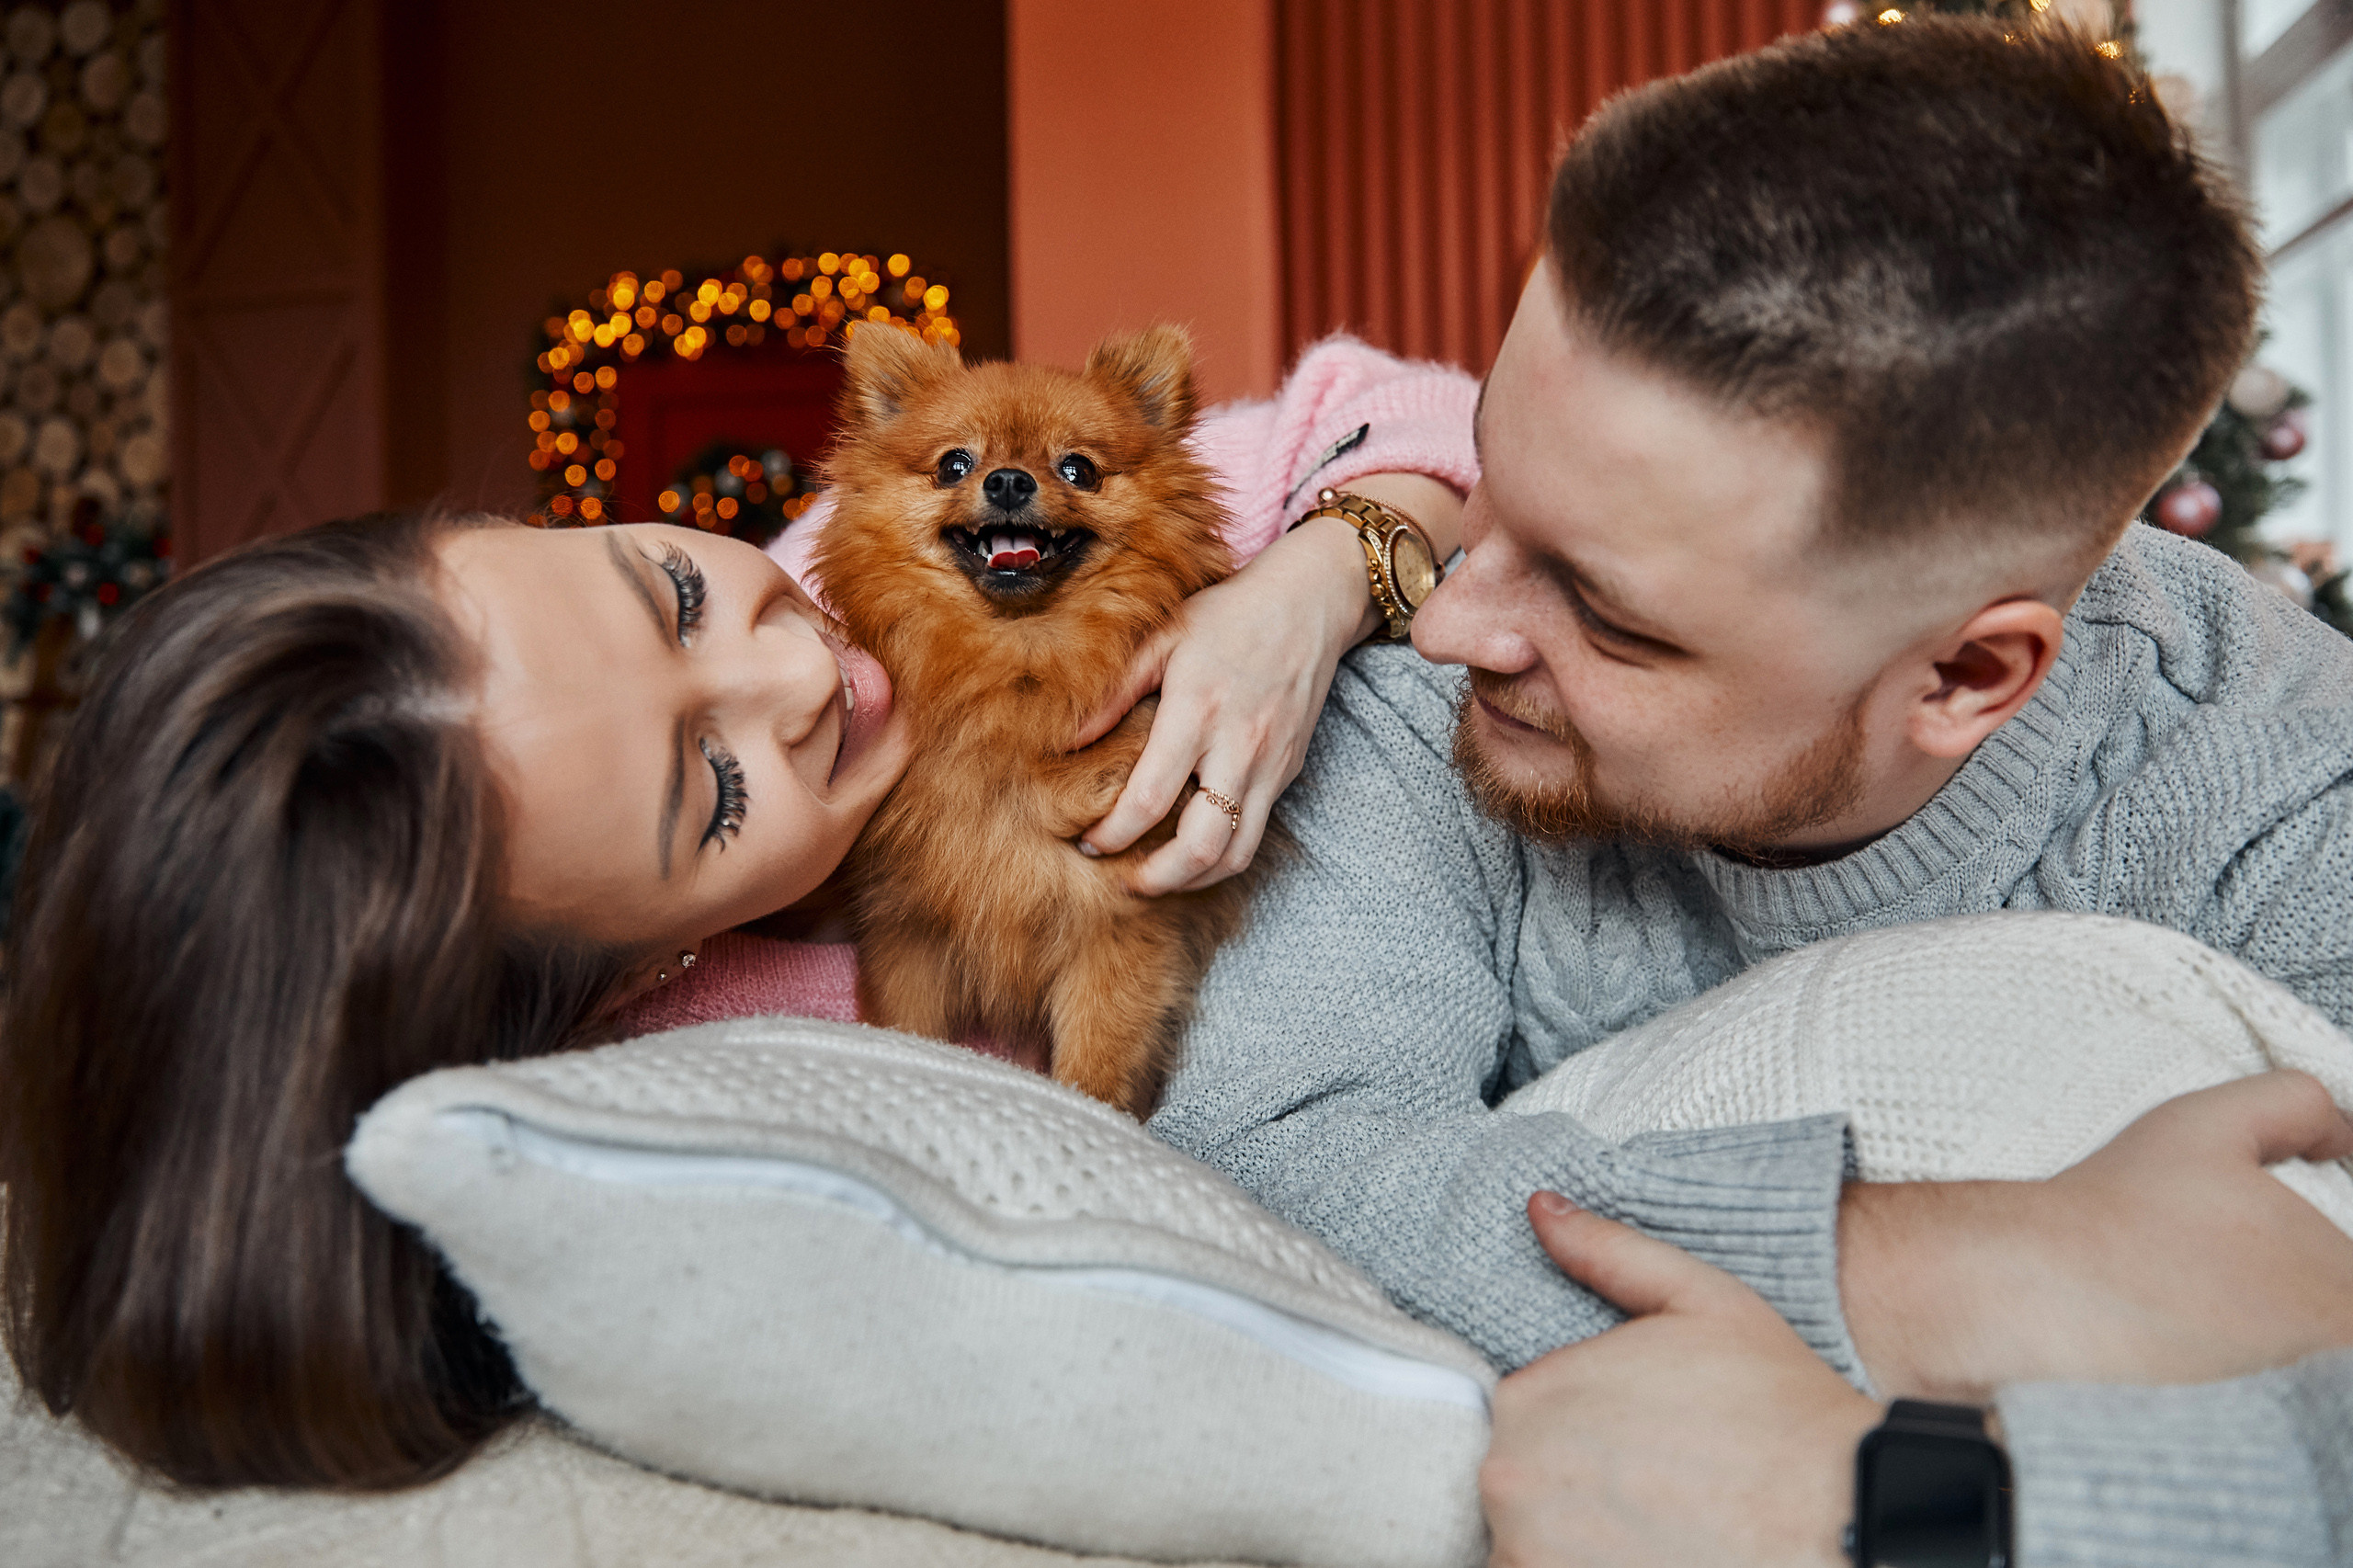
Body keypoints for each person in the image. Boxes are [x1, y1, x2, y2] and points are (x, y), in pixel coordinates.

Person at [1145, 17, 2353, 1567]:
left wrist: (1933, 1499)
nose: (1447, 619)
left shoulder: (2273, 782)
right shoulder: (1433, 703)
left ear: (1969, 679)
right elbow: (1267, 1156)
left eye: (1612, 613)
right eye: (1491, 499)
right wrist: (1949, 1272)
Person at [0, 333, 1474, 1487]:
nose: (802, 676)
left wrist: (1316, 583)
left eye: (673, 597)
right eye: (709, 792)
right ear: (632, 975)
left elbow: (1421, 411)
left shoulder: (848, 555)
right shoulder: (732, 1093)